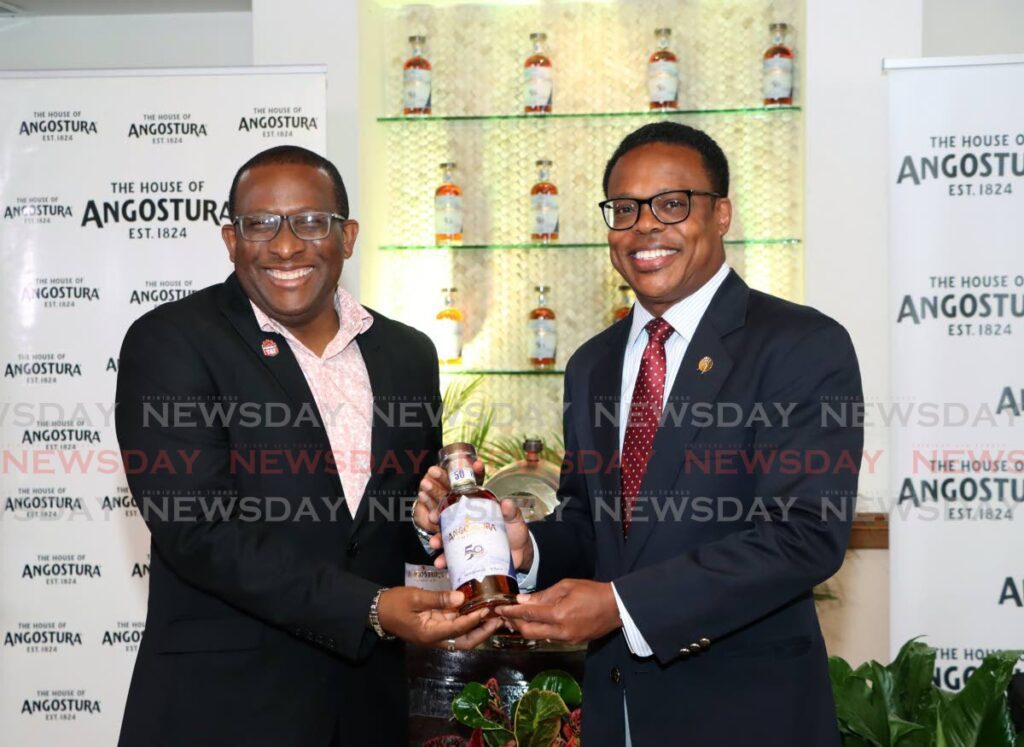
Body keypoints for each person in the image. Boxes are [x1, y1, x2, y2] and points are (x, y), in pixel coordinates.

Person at [417, 122, 864, 746]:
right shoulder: (592, 363)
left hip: (747, 714)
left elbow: (803, 535)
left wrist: (623, 606)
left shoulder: (800, 345)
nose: (645, 226)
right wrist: (526, 551)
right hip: (616, 712)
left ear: (722, 213)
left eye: (672, 204)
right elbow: (590, 524)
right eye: (624, 209)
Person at [115, 145, 499, 747]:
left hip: (367, 710)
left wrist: (430, 524)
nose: (286, 245)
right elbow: (198, 530)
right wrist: (370, 608)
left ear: (346, 236)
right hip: (222, 710)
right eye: (260, 224)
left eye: (311, 222)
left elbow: (386, 528)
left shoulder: (407, 353)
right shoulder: (171, 342)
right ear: (230, 239)